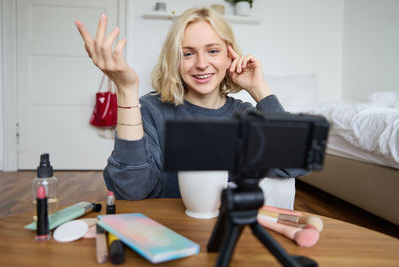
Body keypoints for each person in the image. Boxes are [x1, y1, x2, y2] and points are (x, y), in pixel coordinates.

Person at [75, 7, 307, 208]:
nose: (202, 64)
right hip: (168, 227)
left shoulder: (246, 115)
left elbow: (293, 166)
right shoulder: (150, 109)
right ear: (174, 61)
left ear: (229, 56)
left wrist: (259, 89)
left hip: (226, 230)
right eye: (188, 53)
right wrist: (126, 90)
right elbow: (132, 189)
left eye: (213, 51)